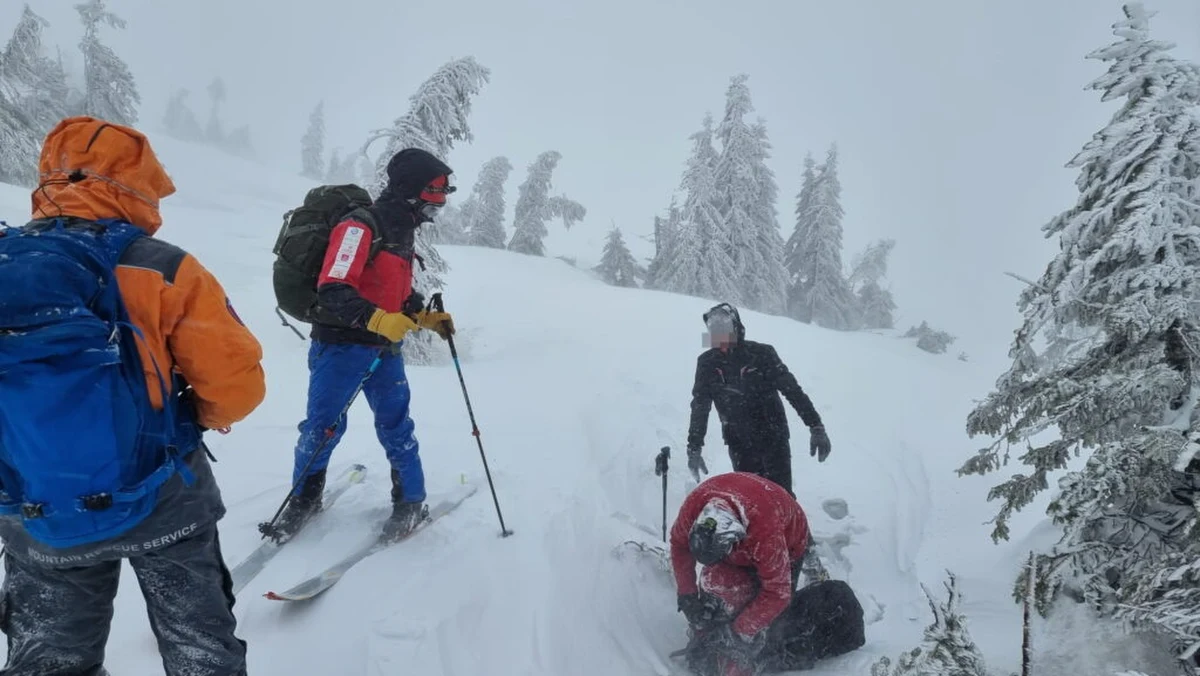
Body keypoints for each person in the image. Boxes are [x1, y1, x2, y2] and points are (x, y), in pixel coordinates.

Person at [0, 117, 266, 674]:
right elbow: (236, 384)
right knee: (199, 649)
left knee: (48, 658)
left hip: (35, 509)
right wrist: (191, 415)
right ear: (138, 181)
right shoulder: (161, 266)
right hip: (164, 496)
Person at [273, 147, 456, 543]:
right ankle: (304, 500)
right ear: (410, 190)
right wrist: (377, 319)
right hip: (340, 347)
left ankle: (410, 502)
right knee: (322, 428)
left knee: (397, 426)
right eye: (433, 193)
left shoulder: (403, 231)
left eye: (442, 195)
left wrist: (422, 316)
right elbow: (333, 287)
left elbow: (397, 296)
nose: (438, 205)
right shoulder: (359, 226)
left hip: (384, 350)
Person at [670, 472, 811, 676]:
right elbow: (679, 545)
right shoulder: (693, 507)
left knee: (772, 627)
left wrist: (739, 631)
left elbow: (778, 593)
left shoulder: (766, 534)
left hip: (787, 540)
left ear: (735, 541)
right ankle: (713, 631)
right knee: (715, 583)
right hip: (747, 515)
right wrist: (687, 594)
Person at [686, 302, 832, 495]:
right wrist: (694, 446)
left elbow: (793, 391)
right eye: (714, 329)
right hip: (738, 442)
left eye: (724, 327)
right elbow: (700, 406)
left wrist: (816, 426)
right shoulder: (706, 363)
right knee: (750, 499)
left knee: (781, 497)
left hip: (773, 437)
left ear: (736, 327)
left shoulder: (762, 354)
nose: (719, 334)